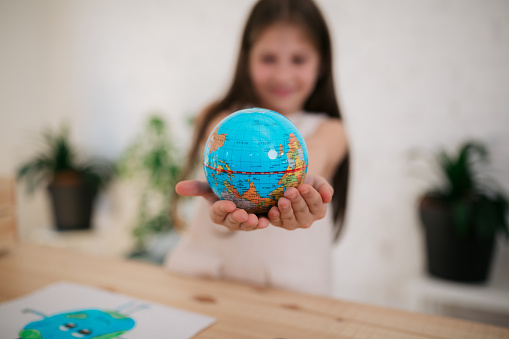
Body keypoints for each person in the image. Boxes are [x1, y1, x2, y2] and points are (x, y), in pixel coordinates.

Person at [165, 0, 349, 296]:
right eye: (268, 58)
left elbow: (319, 152)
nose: (283, 75)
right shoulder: (217, 117)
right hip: (198, 284)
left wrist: (298, 183)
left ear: (322, 63)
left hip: (291, 299)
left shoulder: (331, 129)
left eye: (299, 59)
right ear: (246, 58)